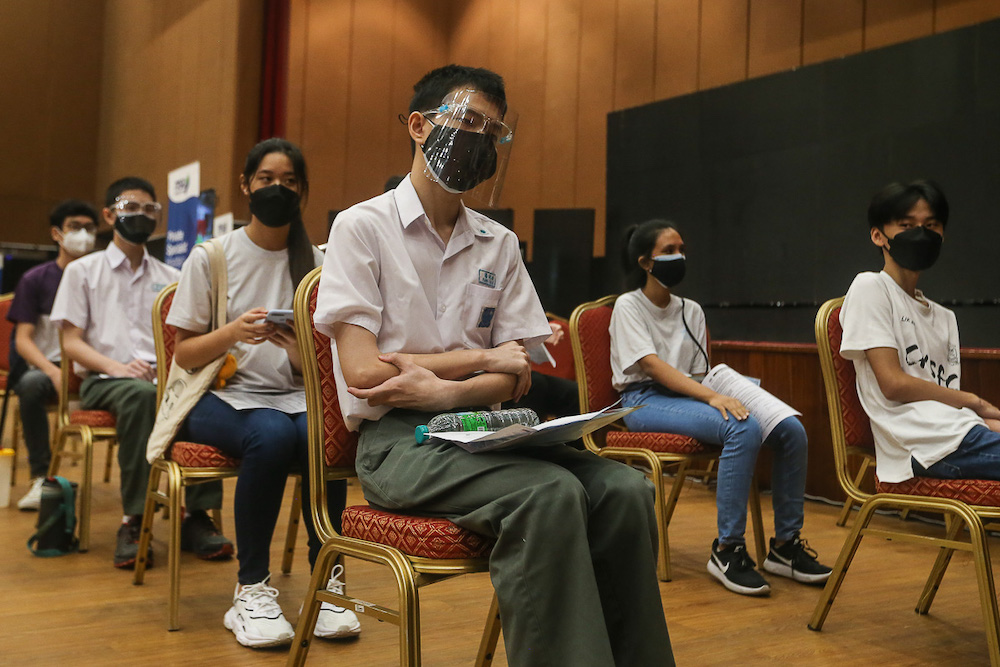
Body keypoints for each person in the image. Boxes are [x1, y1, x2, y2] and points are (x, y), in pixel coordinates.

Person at [316, 64, 674, 666]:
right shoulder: (361, 228)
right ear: (418, 125)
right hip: (398, 445)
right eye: (468, 123)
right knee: (550, 493)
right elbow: (365, 373)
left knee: (625, 489)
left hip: (484, 430)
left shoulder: (498, 243)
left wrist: (441, 389)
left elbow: (520, 375)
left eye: (493, 130)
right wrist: (480, 360)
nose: (481, 139)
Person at [168, 138, 359, 649]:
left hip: (295, 395)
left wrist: (296, 346)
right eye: (267, 180)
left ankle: (327, 585)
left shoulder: (319, 262)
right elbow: (183, 355)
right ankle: (250, 589)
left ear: (303, 192)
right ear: (246, 185)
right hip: (219, 397)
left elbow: (321, 366)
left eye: (289, 182)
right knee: (271, 436)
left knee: (327, 436)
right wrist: (233, 331)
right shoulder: (213, 256)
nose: (277, 190)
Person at [609, 219, 831, 597]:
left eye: (682, 248)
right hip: (642, 399)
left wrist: (725, 389)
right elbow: (650, 365)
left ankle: (785, 546)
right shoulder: (628, 305)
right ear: (646, 262)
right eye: (668, 251)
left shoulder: (691, 309)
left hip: (688, 395)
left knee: (790, 430)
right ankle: (727, 550)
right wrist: (711, 397)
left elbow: (699, 371)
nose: (679, 257)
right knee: (740, 427)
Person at [49, 177, 230, 568]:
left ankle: (194, 515)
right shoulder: (83, 272)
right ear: (110, 214)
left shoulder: (171, 276)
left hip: (162, 380)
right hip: (104, 380)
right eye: (132, 208)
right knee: (140, 397)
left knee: (204, 400)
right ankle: (134, 518)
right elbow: (71, 343)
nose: (142, 216)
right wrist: (117, 367)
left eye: (151, 210)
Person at [840, 180, 1000, 487]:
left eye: (931, 225)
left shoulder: (945, 316)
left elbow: (939, 401)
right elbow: (893, 384)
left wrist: (980, 418)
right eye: (906, 224)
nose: (920, 233)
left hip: (956, 432)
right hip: (920, 446)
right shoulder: (870, 287)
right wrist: (974, 402)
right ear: (878, 235)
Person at [9, 200, 98, 509]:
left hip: (92, 366)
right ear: (56, 234)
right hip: (47, 365)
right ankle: (40, 478)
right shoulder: (34, 279)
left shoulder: (100, 277)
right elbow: (23, 341)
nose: (83, 234)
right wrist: (52, 371)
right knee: (31, 386)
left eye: (89, 228)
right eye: (75, 227)